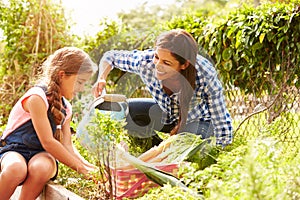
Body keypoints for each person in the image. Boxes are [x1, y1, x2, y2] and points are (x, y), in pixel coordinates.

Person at [93, 29, 233, 147]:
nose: (158, 65)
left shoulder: (204, 74)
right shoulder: (145, 63)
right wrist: (101, 78)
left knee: (188, 146)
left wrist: (223, 147)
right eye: (156, 57)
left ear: (184, 65)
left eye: (166, 62)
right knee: (123, 110)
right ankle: (152, 149)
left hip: (197, 121)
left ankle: (171, 153)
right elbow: (109, 57)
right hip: (165, 115)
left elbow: (220, 117)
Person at [0, 47, 97, 200]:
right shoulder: (37, 97)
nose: (81, 88)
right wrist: (80, 169)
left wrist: (89, 167)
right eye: (79, 82)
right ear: (62, 75)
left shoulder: (66, 108)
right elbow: (48, 142)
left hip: (41, 155)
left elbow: (67, 146)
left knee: (41, 168)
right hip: (14, 150)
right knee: (16, 169)